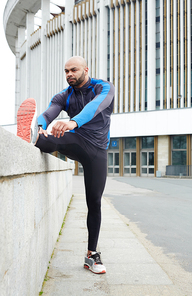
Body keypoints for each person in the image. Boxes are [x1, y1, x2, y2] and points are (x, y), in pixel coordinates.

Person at [17, 56, 115, 274]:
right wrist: (41, 124)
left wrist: (73, 121)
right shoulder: (64, 95)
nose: (69, 74)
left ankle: (92, 255)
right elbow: (49, 113)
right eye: (66, 71)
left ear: (85, 70)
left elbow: (95, 107)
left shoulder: (104, 87)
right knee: (56, 137)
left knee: (95, 202)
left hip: (98, 151)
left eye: (73, 70)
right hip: (77, 141)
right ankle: (34, 136)